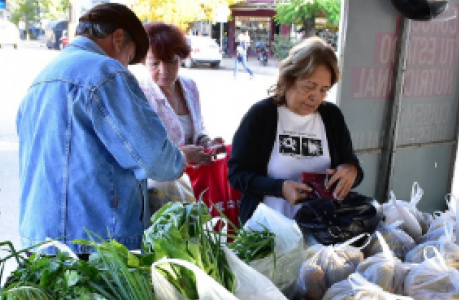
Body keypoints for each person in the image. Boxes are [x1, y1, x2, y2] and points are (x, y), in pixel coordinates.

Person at [16, 3, 185, 255]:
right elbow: (157, 160)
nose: (126, 67)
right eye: (129, 58)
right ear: (118, 38)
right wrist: (180, 158)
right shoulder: (106, 71)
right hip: (91, 242)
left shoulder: (43, 77)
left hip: (38, 238)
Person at [228, 37, 363, 222]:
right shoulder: (262, 115)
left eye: (324, 90)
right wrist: (280, 188)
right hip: (266, 231)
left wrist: (350, 171)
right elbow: (237, 175)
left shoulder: (332, 117)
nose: (316, 97)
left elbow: (352, 167)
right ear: (290, 79)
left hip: (320, 232)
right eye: (309, 87)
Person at [138, 22, 222, 155]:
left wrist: (206, 142)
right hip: (162, 176)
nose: (164, 71)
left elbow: (198, 127)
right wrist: (181, 156)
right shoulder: (139, 95)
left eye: (171, 61)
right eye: (154, 63)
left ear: (181, 58)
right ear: (143, 61)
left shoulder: (190, 86)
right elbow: (140, 149)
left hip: (194, 174)